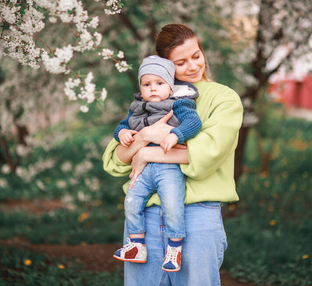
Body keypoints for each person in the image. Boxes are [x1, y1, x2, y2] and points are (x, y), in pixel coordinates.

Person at [103, 23, 243, 286]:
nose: (192, 66)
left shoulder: (225, 99)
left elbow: (209, 153)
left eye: (196, 55)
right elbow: (115, 160)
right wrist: (144, 138)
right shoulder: (151, 97)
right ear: (165, 66)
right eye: (181, 62)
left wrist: (145, 155)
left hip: (197, 215)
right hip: (144, 220)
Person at [112, 55, 202, 273]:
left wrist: (176, 135)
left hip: (167, 166)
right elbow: (122, 126)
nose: (153, 89)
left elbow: (194, 122)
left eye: (159, 83)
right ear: (140, 88)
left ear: (170, 87)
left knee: (172, 205)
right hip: (142, 170)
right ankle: (136, 245)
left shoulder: (179, 104)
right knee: (132, 201)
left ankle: (174, 248)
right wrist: (122, 133)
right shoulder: (136, 108)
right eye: (147, 84)